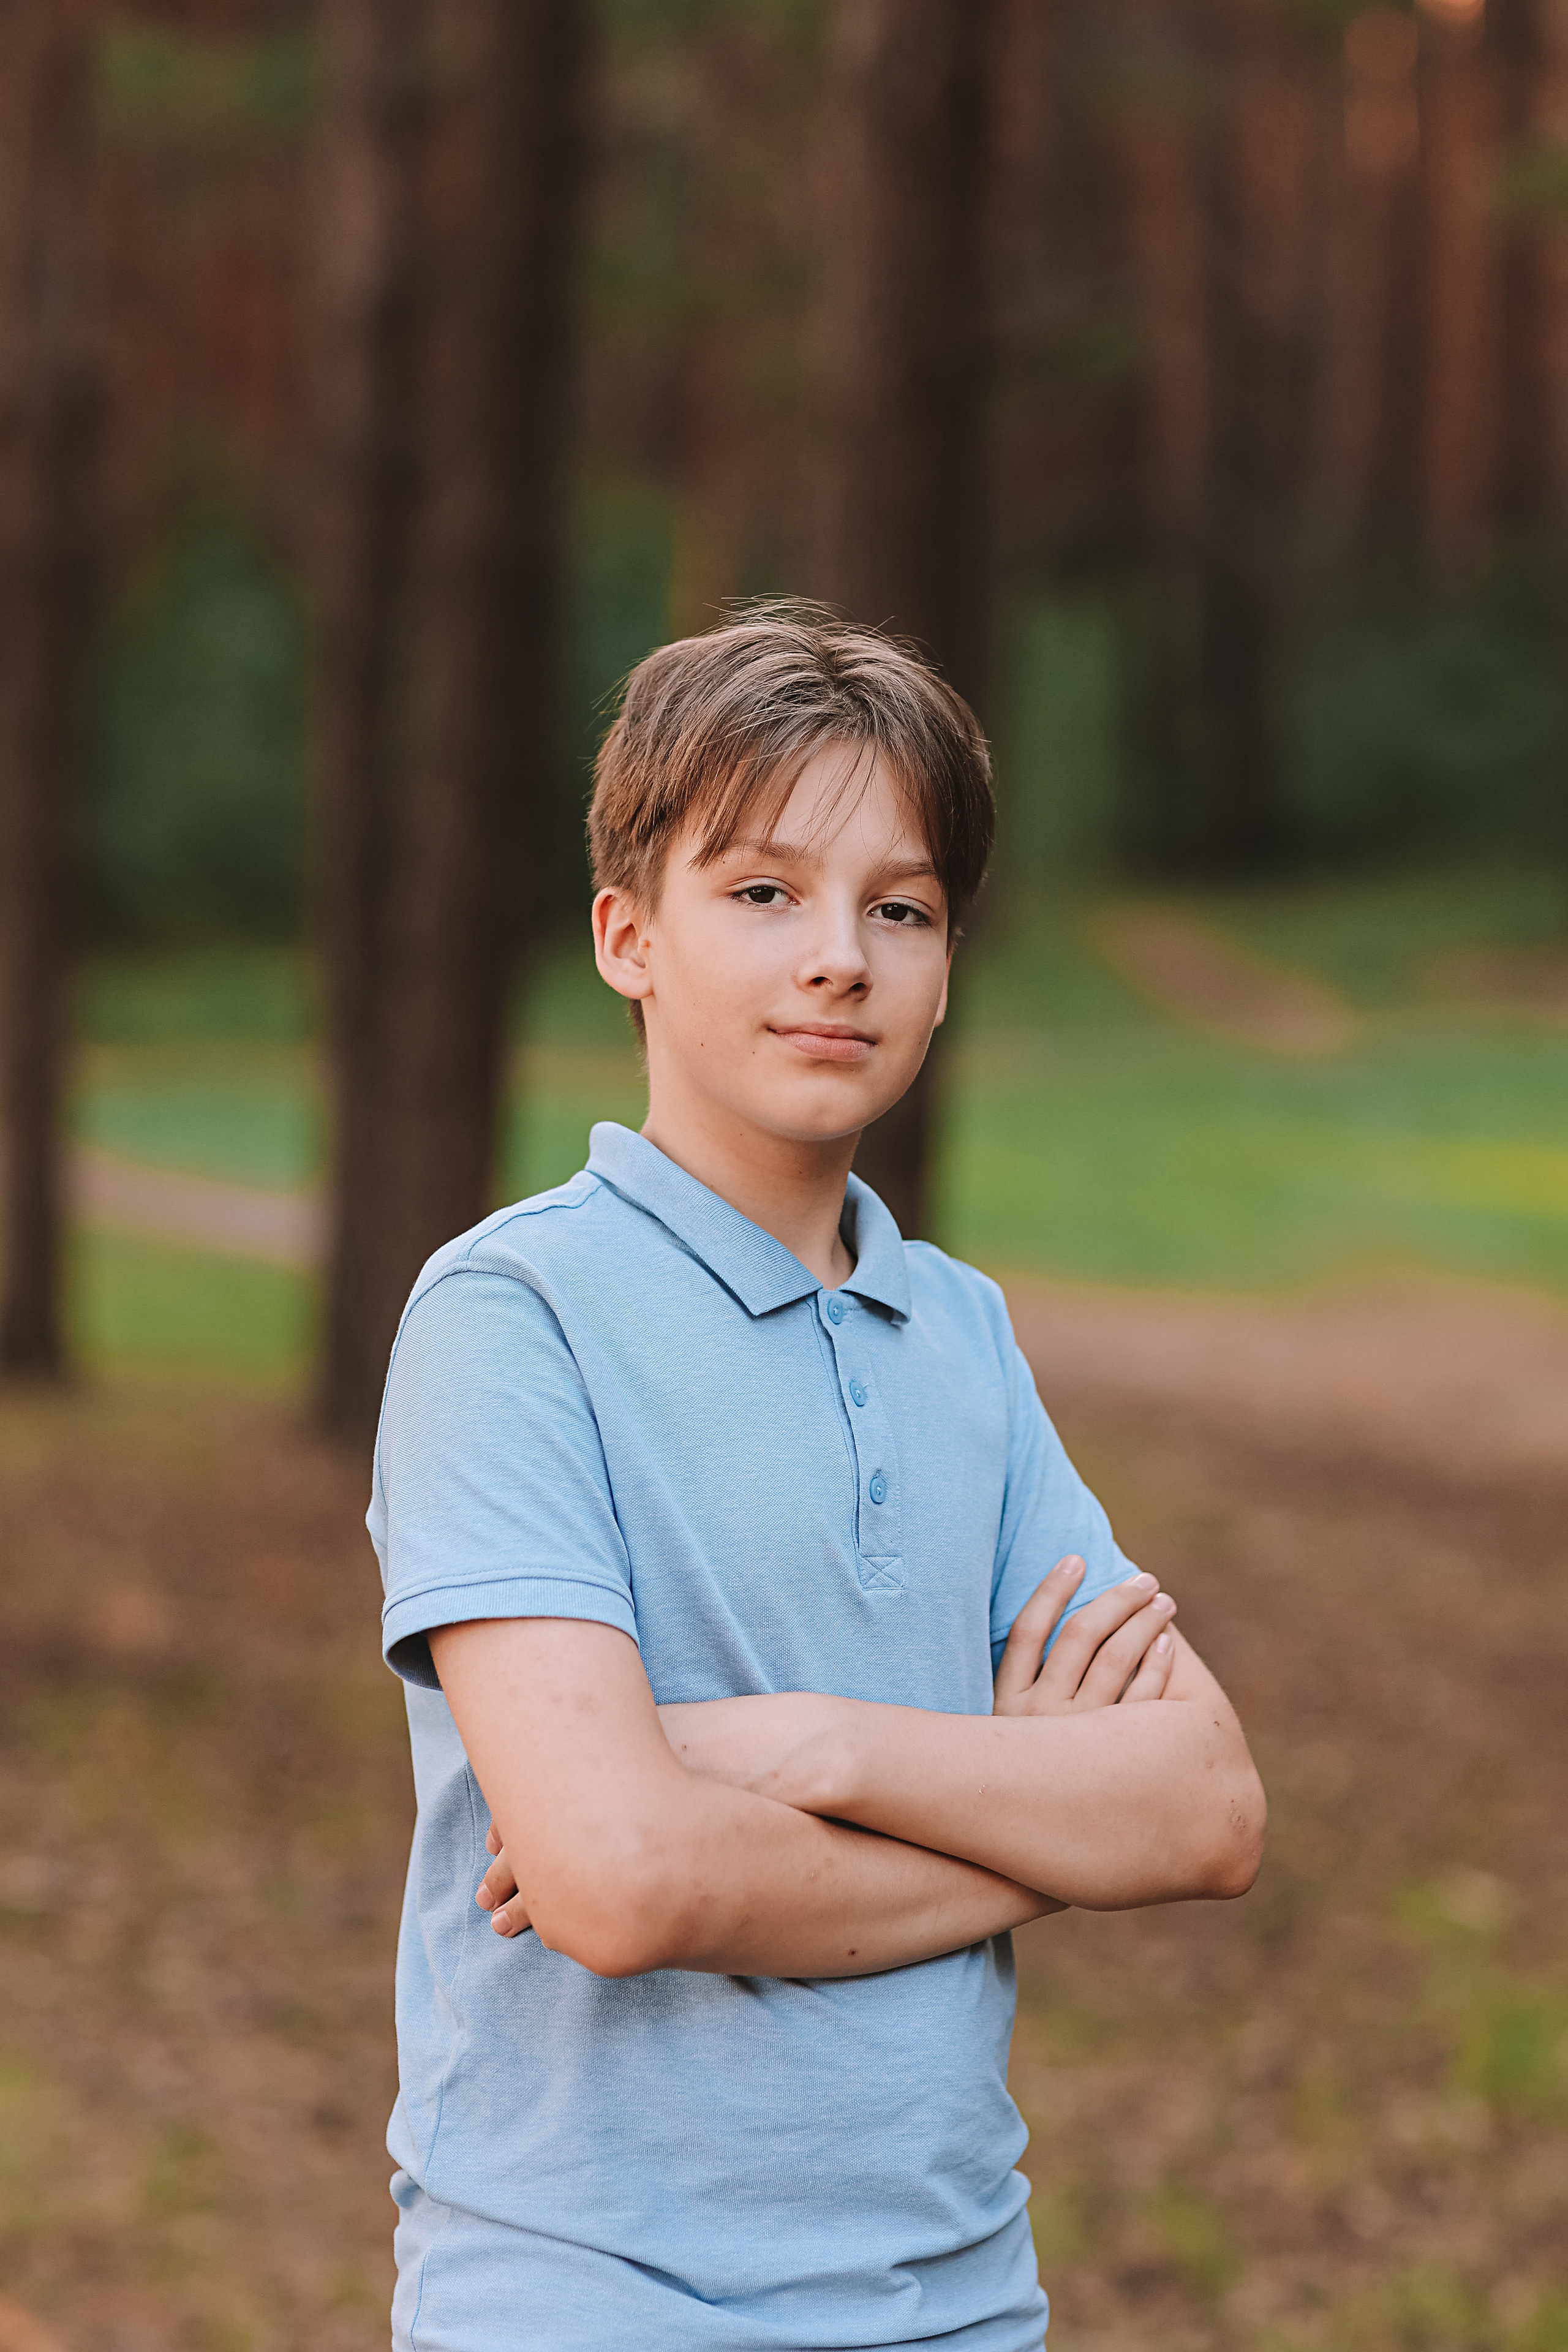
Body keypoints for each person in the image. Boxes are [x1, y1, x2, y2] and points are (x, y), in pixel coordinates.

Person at [369, 605, 1265, 2351]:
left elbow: (1209, 1810)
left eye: (902, 907)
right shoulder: (512, 1317)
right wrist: (1033, 1823)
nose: (840, 955)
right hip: (592, 2301)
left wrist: (822, 1748)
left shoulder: (965, 1340)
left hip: (962, 2301)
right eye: (764, 891)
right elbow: (625, 1880)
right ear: (630, 935)